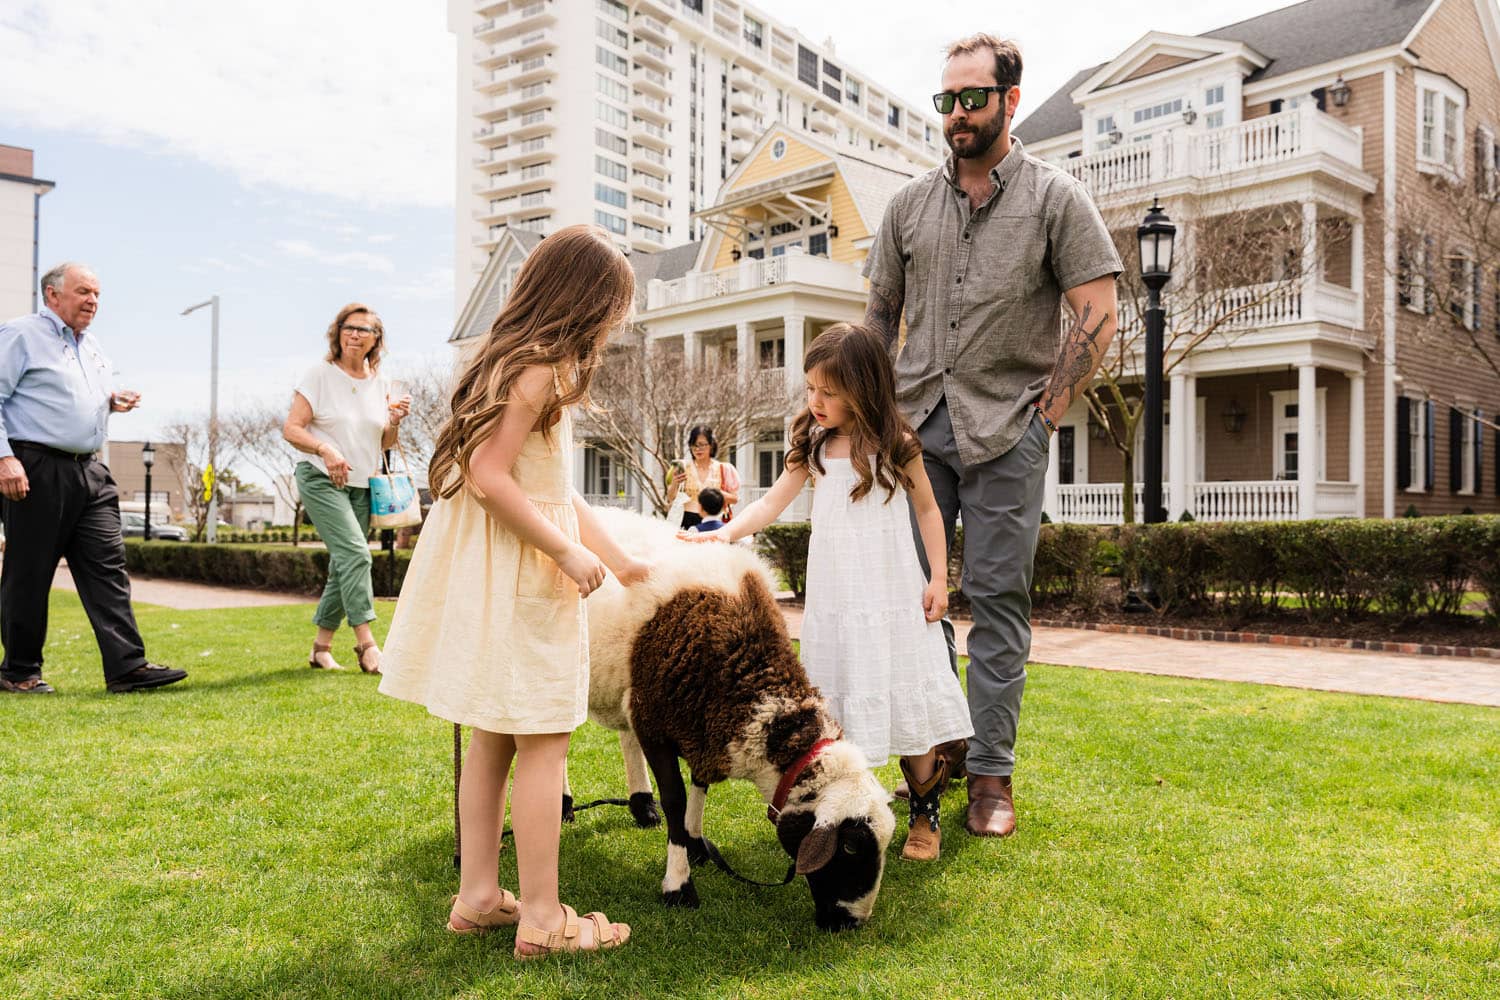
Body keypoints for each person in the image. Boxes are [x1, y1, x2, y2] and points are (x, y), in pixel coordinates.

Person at [862, 34, 1122, 837]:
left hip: (1009, 430)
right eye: (946, 100)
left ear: (1011, 100)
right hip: (916, 430)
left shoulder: (1057, 198)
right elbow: (876, 319)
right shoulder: (908, 207)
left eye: (972, 98)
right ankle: (935, 754)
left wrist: (1048, 412)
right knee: (920, 602)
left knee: (1001, 604)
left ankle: (990, 777)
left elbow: (1099, 310)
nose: (956, 114)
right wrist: (870, 414)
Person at [378, 225, 649, 957]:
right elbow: (493, 478)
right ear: (584, 300)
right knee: (545, 741)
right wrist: (564, 551)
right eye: (614, 306)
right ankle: (542, 915)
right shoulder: (546, 369)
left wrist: (622, 562)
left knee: (494, 735)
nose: (616, 321)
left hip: (500, 572)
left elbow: (551, 489)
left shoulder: (503, 363)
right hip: (526, 576)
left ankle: (477, 895)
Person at [683, 324, 972, 861]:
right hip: (838, 598)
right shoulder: (812, 444)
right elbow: (770, 504)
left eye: (829, 391)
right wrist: (721, 532)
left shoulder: (898, 445)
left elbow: (930, 510)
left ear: (862, 388)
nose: (815, 401)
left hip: (892, 594)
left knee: (906, 695)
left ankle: (924, 812)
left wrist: (938, 578)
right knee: (833, 702)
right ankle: (838, 808)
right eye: (811, 388)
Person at [0, 262, 187, 695]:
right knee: (29, 571)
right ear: (52, 295)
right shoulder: (21, 335)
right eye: (84, 291)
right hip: (35, 466)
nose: (93, 301)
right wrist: (5, 459)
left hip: (91, 469)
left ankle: (127, 666)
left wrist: (110, 402)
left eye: (98, 294)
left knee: (108, 568)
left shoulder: (93, 346)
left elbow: (71, 398)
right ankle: (18, 670)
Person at [282, 303, 411, 675]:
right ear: (337, 333)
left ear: (376, 340)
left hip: (362, 484)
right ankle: (367, 645)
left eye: (363, 330)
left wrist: (395, 420)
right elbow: (292, 428)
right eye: (348, 328)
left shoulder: (381, 383)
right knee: (357, 555)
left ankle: (320, 648)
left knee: (344, 566)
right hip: (322, 478)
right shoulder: (319, 375)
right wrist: (325, 448)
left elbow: (384, 442)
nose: (354, 334)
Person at [666, 425, 740, 530]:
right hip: (685, 520)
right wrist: (674, 483)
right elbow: (670, 497)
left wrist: (716, 494)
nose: (697, 449)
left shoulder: (723, 468)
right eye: (694, 445)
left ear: (711, 445)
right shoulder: (683, 467)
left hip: (712, 522)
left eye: (702, 445)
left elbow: (734, 499)